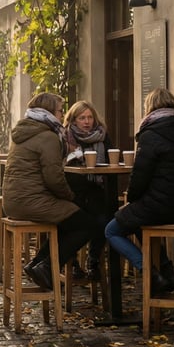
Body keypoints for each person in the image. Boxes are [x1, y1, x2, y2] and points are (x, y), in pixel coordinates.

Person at [104, 87, 174, 294]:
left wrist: (131, 199)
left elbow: (140, 176)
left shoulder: (150, 134)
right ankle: (168, 273)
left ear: (150, 108)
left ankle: (150, 273)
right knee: (136, 218)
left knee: (112, 230)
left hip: (162, 206)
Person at [2, 92, 103, 291]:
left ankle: (36, 265)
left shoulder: (24, 132)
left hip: (14, 200)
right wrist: (70, 197)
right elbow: (54, 178)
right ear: (48, 112)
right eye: (59, 110)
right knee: (88, 224)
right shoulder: (47, 137)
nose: (61, 114)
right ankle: (46, 267)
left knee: (69, 220)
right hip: (31, 201)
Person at [62, 100, 113, 281]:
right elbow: (62, 164)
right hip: (72, 190)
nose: (87, 121)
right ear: (74, 120)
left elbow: (109, 159)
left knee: (103, 220)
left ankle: (94, 262)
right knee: (75, 221)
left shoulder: (102, 135)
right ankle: (73, 263)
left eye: (90, 117)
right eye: (82, 117)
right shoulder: (65, 137)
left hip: (95, 188)